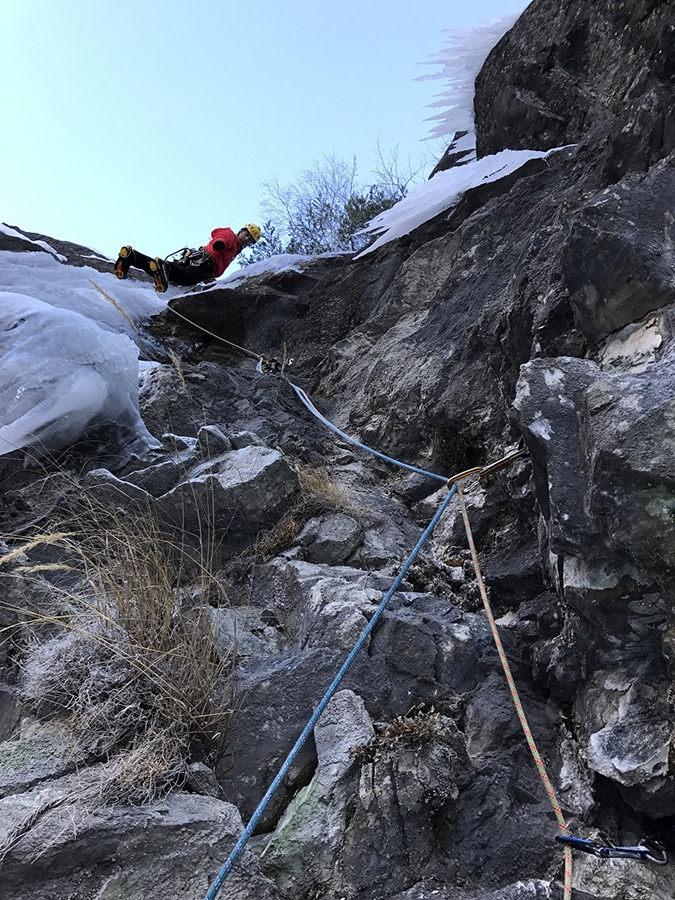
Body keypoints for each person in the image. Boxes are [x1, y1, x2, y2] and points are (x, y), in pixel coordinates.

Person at [113, 224, 261, 292]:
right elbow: (220, 238)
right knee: (186, 278)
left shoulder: (235, 249)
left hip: (196, 260)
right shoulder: (230, 236)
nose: (246, 239)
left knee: (159, 271)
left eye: (250, 240)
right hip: (203, 263)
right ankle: (164, 267)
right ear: (241, 231)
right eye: (246, 234)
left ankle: (131, 256)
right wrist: (219, 245)